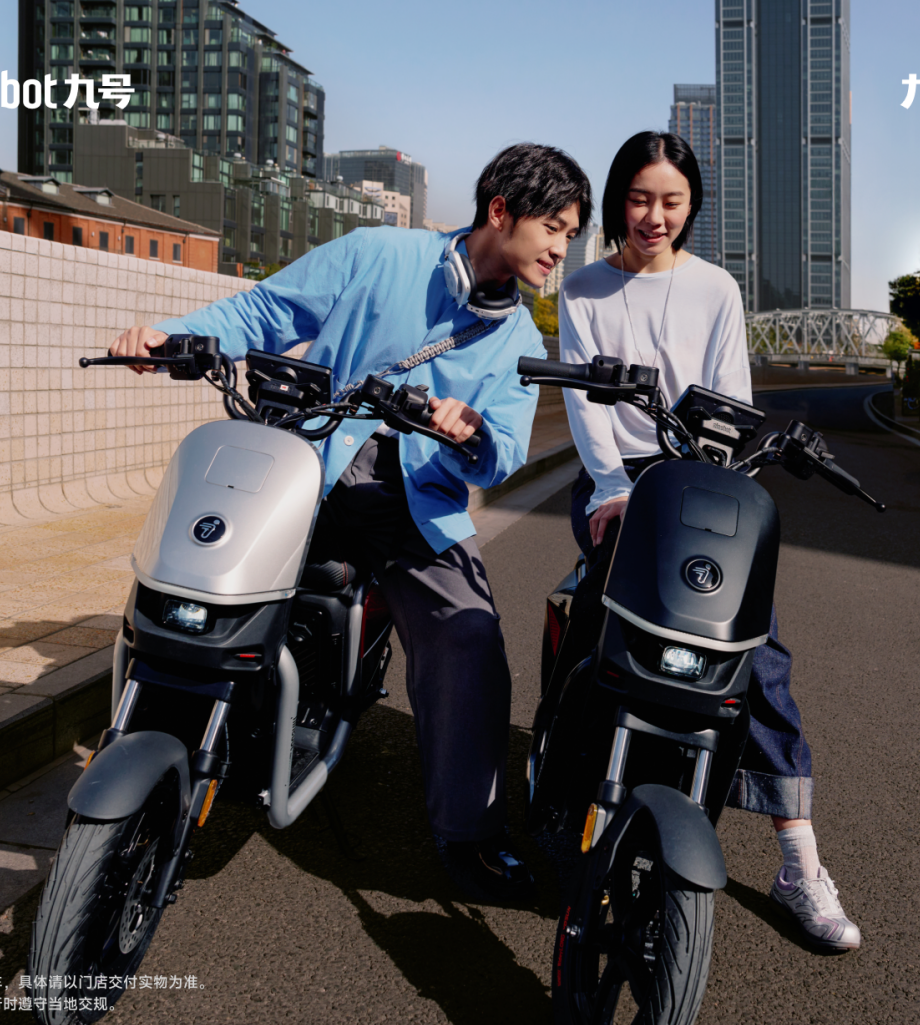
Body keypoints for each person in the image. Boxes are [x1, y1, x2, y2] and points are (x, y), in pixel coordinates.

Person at [108, 143, 593, 903]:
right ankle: (170, 733)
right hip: (303, 468)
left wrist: (469, 434)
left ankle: (470, 833)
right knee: (194, 567)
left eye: (571, 234)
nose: (561, 248)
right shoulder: (377, 253)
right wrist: (170, 337)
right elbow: (266, 310)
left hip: (414, 504)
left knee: (467, 635)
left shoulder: (520, 342)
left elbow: (501, 456)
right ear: (501, 211)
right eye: (553, 227)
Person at [556, 131, 861, 950]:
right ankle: (569, 774)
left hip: (700, 478)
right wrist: (613, 488)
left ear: (691, 207)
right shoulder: (582, 289)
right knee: (606, 612)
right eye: (639, 198)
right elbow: (585, 407)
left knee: (754, 643)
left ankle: (799, 859)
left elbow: (731, 401)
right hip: (618, 478)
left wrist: (719, 484)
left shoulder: (716, 288)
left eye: (672, 201)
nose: (654, 216)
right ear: (617, 199)